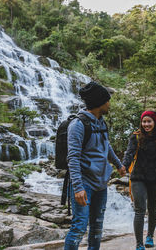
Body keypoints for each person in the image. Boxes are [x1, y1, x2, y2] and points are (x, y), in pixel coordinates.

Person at [64, 81, 126, 250]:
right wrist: (77, 188)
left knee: (97, 228)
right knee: (79, 228)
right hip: (84, 183)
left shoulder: (101, 122)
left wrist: (118, 164)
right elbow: (73, 158)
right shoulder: (77, 125)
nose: (109, 104)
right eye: (107, 100)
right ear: (100, 102)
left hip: (101, 184)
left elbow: (107, 146)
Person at [123, 110, 156, 250]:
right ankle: (139, 244)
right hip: (138, 177)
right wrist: (124, 166)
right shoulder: (136, 137)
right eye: (144, 121)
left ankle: (150, 236)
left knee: (153, 208)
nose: (146, 124)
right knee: (140, 210)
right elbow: (129, 153)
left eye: (149, 121)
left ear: (155, 122)